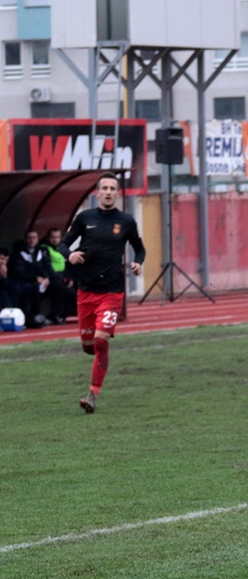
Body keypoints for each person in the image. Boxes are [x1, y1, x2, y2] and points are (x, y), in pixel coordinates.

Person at [60, 171, 146, 413]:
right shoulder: (84, 218)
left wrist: (138, 263)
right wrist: (70, 255)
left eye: (112, 188)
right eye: (104, 188)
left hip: (112, 292)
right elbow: (63, 244)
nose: (108, 192)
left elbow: (139, 249)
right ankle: (95, 356)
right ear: (97, 192)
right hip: (86, 292)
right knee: (89, 345)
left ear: (117, 193)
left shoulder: (126, 221)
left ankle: (92, 395)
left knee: (101, 340)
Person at [9, 228, 53, 328]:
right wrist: (35, 278)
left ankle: (55, 315)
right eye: (29, 238)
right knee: (32, 288)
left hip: (39, 281)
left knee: (56, 285)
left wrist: (46, 277)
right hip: (23, 281)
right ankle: (33, 316)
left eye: (34, 238)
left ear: (37, 239)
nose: (32, 240)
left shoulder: (41, 252)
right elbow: (18, 272)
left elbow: (46, 267)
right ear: (25, 239)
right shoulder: (19, 253)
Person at [42, 227, 76, 320]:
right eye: (53, 237)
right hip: (52, 278)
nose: (55, 239)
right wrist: (63, 279)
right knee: (60, 289)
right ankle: (56, 315)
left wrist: (70, 278)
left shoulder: (61, 249)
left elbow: (68, 265)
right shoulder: (45, 249)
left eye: (58, 237)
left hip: (62, 277)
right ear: (48, 238)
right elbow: (47, 267)